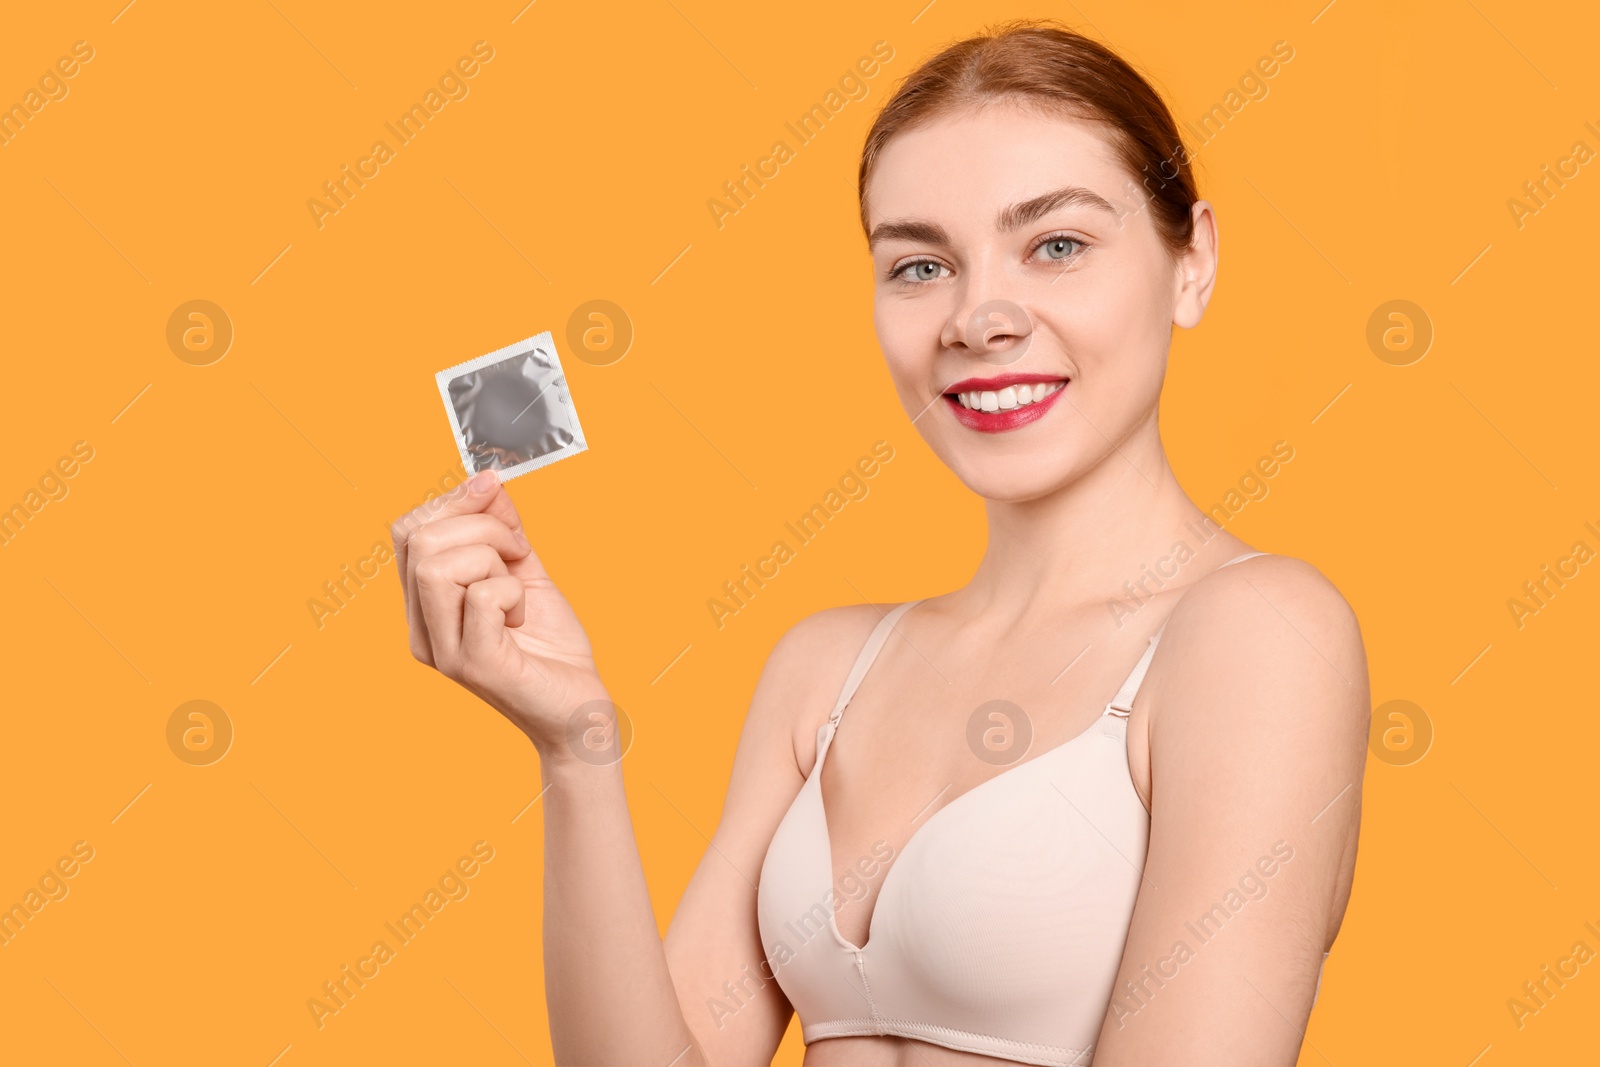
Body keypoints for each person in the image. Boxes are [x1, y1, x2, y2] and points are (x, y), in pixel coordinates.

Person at [390, 18, 1369, 1066]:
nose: (979, 316)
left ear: (1191, 264)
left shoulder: (1255, 634)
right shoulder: (826, 665)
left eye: (1058, 245)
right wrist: (573, 740)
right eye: (918, 265)